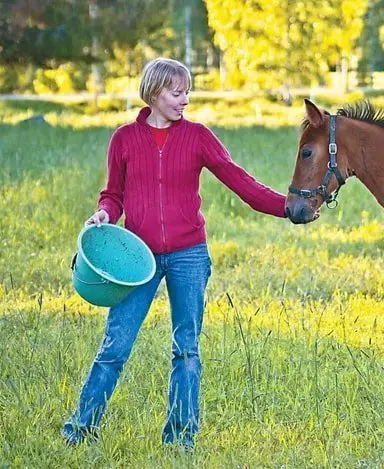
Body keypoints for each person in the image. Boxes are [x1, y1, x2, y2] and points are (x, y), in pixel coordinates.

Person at [61, 58, 287, 450]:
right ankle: (80, 429)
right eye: (177, 92)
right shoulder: (124, 140)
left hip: (189, 255)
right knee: (116, 346)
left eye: (188, 92)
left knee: (186, 351)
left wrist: (287, 207)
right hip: (137, 260)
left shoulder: (198, 137)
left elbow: (239, 180)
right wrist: (104, 212)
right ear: (154, 93)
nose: (185, 100)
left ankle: (181, 438)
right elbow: (113, 194)